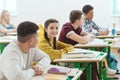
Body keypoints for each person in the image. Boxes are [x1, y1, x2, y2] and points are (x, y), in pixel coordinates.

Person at [59, 10, 98, 80]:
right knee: (90, 62)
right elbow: (83, 40)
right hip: (65, 55)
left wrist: (88, 36)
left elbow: (87, 35)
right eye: (82, 18)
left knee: (93, 61)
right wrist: (88, 37)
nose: (83, 20)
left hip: (73, 52)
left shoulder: (77, 27)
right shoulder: (67, 27)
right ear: (77, 20)